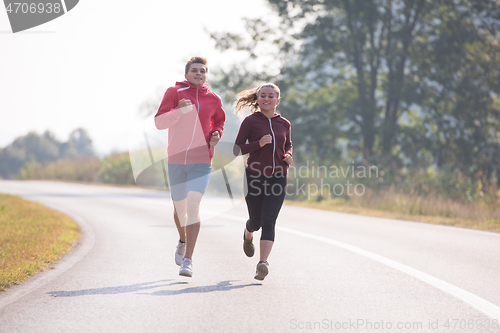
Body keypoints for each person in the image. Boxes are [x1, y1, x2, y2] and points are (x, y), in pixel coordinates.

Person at [154, 56, 226, 277]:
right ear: (186, 75)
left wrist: (217, 134)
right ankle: (182, 239)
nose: (199, 74)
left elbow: (219, 121)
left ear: (206, 75)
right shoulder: (174, 93)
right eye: (194, 70)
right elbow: (159, 122)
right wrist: (178, 112)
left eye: (202, 71)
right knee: (180, 209)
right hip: (176, 160)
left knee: (194, 206)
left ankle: (188, 260)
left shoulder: (213, 99)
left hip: (202, 161)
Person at [233, 83, 293, 280]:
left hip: (278, 176)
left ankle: (262, 263)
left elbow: (288, 144)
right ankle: (248, 232)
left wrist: (288, 155)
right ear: (257, 99)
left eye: (271, 96)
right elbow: (237, 149)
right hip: (255, 176)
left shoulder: (284, 123)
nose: (267, 99)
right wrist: (258, 144)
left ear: (278, 100)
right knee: (257, 221)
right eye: (263, 96)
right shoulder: (250, 122)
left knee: (269, 221)